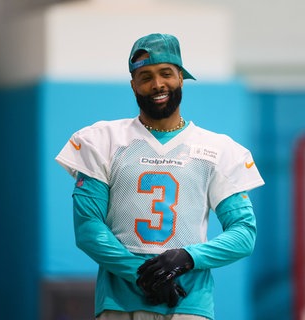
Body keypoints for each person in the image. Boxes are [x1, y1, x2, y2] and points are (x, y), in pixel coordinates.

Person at [56, 33, 265, 320]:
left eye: (166, 73)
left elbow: (243, 234)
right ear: (133, 85)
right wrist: (142, 275)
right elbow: (88, 229)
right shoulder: (102, 141)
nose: (157, 84)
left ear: (180, 77)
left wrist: (187, 257)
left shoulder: (218, 149)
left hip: (188, 303)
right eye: (145, 76)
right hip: (120, 303)